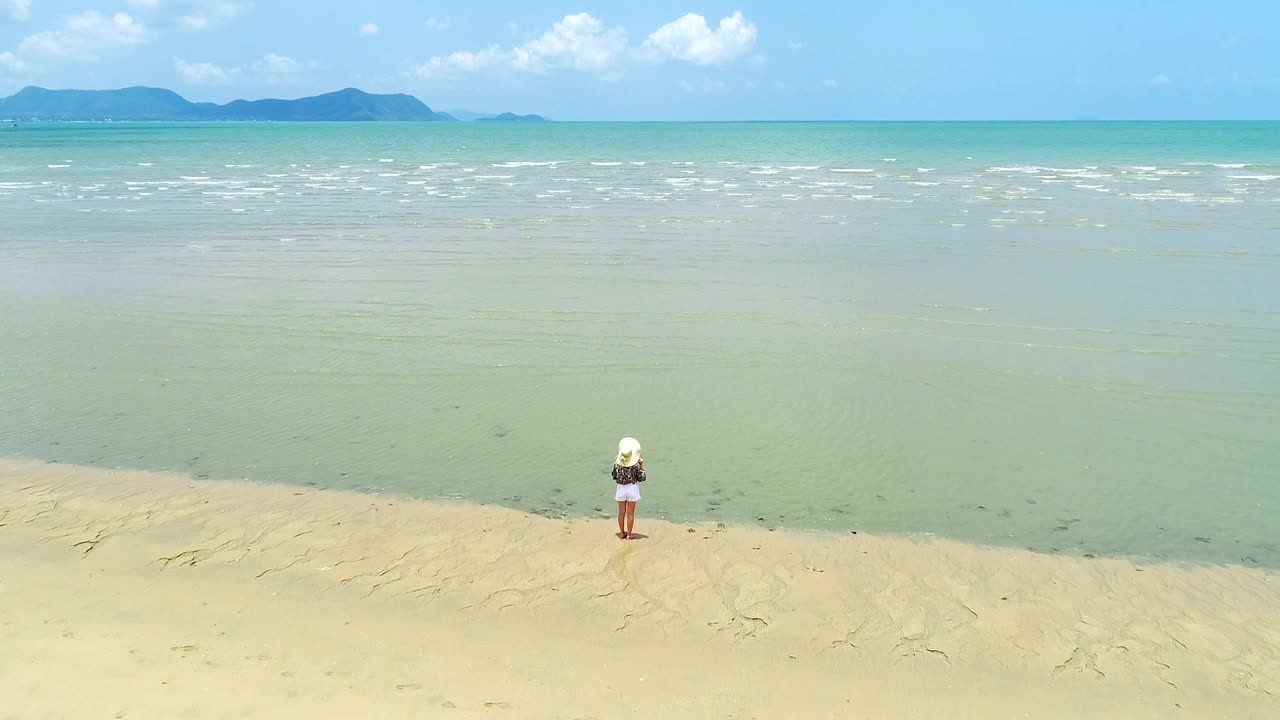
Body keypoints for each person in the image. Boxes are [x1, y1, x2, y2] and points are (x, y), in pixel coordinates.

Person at [612, 437, 645, 539]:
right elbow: (641, 478)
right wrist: (641, 465)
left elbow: (614, 476)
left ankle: (622, 533)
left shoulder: (617, 465)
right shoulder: (635, 466)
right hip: (632, 488)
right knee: (630, 513)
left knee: (621, 512)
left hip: (621, 489)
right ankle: (629, 534)